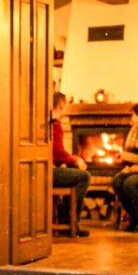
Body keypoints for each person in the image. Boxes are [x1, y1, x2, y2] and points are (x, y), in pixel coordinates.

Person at [51, 91, 91, 237]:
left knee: (74, 172)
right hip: (50, 172)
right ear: (60, 105)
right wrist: (76, 159)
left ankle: (66, 216)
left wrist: (72, 159)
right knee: (84, 177)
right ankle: (72, 222)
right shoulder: (54, 124)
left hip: (48, 169)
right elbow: (59, 153)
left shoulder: (48, 121)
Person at [112, 103, 138, 231]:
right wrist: (124, 161)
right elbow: (129, 151)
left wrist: (130, 162)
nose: (132, 118)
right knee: (117, 180)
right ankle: (134, 216)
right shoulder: (135, 130)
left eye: (134, 115)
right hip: (136, 168)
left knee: (129, 184)